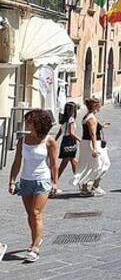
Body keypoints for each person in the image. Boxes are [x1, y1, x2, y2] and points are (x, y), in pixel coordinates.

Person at [7, 109, 58, 262]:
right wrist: (11, 181)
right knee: (30, 214)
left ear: (39, 123)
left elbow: (55, 163)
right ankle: (36, 238)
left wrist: (55, 182)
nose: (28, 124)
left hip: (43, 180)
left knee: (36, 213)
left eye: (30, 122)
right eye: (27, 121)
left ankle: (35, 247)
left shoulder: (49, 141)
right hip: (25, 181)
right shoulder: (23, 140)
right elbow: (17, 162)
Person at [72, 98, 111, 197]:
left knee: (87, 165)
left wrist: (102, 126)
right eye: (99, 104)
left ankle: (86, 188)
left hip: (86, 143)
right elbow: (92, 134)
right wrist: (94, 148)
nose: (100, 106)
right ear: (95, 106)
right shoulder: (91, 118)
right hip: (92, 143)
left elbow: (95, 128)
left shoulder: (88, 116)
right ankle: (94, 186)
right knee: (103, 164)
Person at [55, 102, 82, 188]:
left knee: (66, 162)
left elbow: (60, 131)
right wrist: (80, 140)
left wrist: (55, 139)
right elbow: (71, 132)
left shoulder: (64, 119)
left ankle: (54, 181)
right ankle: (80, 182)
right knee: (73, 162)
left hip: (64, 140)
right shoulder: (71, 120)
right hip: (70, 141)